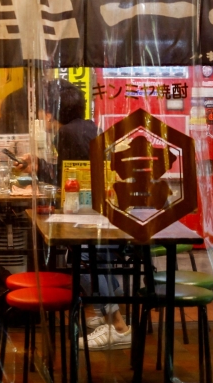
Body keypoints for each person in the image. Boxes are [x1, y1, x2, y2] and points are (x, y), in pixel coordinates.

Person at [15, 79, 128, 350]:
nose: (41, 117)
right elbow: (70, 174)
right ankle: (106, 317)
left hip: (91, 218)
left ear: (50, 113)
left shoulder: (66, 134)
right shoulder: (88, 127)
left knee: (82, 258)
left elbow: (68, 182)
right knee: (89, 257)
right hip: (105, 213)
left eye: (42, 111)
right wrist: (39, 165)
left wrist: (38, 172)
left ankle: (119, 327)